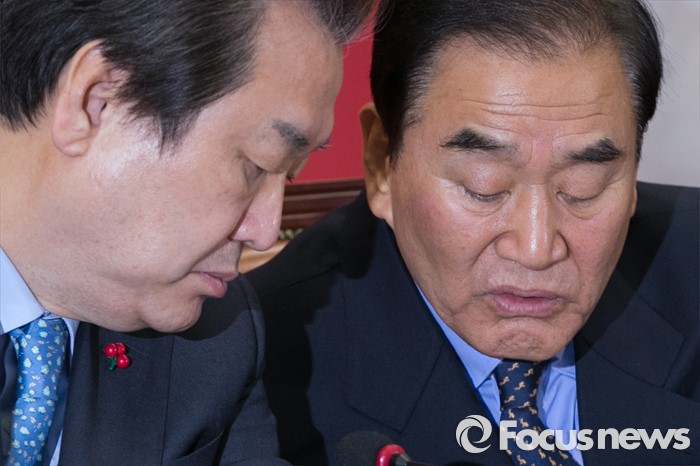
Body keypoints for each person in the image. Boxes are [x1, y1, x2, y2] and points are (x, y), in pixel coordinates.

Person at [248, 0, 700, 464]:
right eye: (484, 188)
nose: (536, 249)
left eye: (582, 189)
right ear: (383, 163)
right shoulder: (258, 370)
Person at [0, 0, 373, 464]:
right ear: (96, 101)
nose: (264, 232)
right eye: (256, 165)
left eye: (289, 175)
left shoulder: (215, 341)